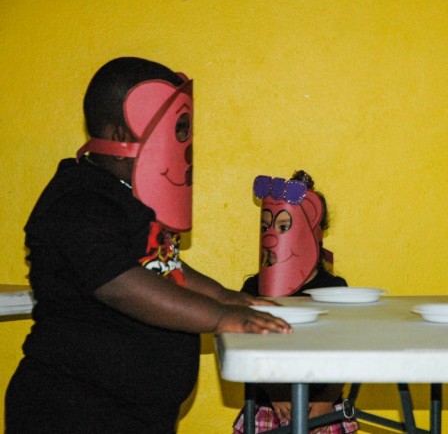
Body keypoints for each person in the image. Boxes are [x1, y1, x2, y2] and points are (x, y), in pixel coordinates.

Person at [4, 57, 291, 434]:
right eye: (176, 130)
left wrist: (225, 297)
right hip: (74, 409)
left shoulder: (130, 199)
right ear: (123, 134)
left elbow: (163, 267)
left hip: (136, 414)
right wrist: (219, 318)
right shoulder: (79, 200)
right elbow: (120, 285)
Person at [233, 170, 358, 433]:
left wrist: (326, 400)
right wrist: (276, 390)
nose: (272, 235)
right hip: (268, 409)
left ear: (316, 231)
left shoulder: (334, 290)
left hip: (322, 409)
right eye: (266, 226)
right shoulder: (253, 288)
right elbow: (247, 347)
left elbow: (347, 350)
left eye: (283, 227)